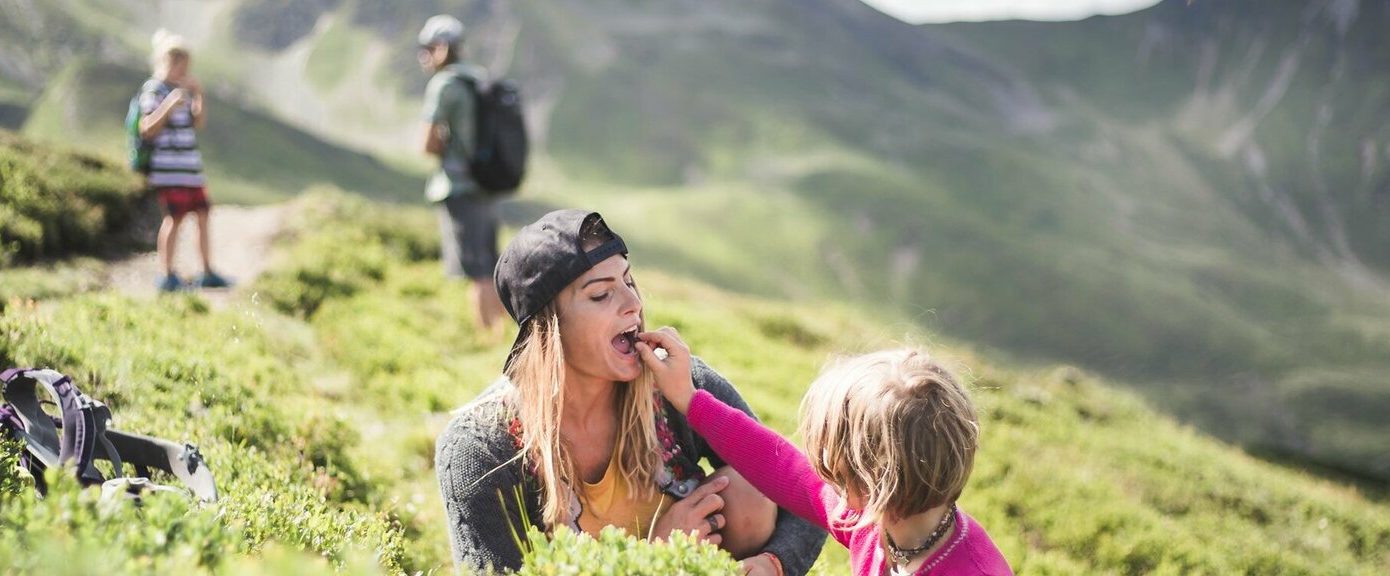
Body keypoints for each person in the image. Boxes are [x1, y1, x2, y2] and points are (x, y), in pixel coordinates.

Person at [435, 210, 827, 575]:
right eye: (601, 294)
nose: (634, 304)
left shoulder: (677, 384)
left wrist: (775, 563)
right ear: (548, 328)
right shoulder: (481, 448)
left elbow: (807, 490)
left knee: (749, 491)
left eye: (629, 281)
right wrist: (656, 553)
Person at [639, 338, 1014, 576]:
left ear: (860, 483)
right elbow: (777, 464)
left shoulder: (973, 569)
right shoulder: (873, 521)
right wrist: (690, 400)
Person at [417, 15, 503, 333]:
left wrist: (444, 143)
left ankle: (485, 338)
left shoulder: (443, 85)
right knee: (491, 265)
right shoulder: (477, 79)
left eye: (426, 48)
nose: (423, 56)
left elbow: (427, 143)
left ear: (440, 48)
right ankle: (502, 333)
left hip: (458, 185)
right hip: (486, 184)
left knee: (475, 269)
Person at [138, 29, 229, 292]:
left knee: (203, 213)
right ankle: (166, 275)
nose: (184, 70)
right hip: (168, 170)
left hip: (190, 168)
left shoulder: (182, 90)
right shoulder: (153, 89)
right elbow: (146, 127)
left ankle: (207, 271)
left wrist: (198, 95)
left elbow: (198, 123)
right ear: (169, 61)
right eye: (181, 64)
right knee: (174, 219)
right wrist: (168, 105)